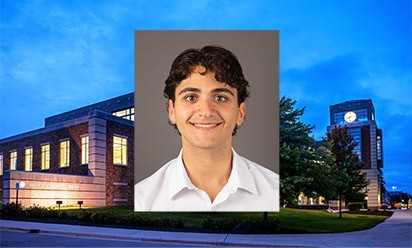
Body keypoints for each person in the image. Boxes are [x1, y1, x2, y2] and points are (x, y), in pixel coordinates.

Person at [134, 45, 279, 211]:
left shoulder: (274, 191)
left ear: (240, 113)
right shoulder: (142, 198)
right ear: (172, 111)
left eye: (220, 97)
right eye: (191, 97)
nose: (206, 111)